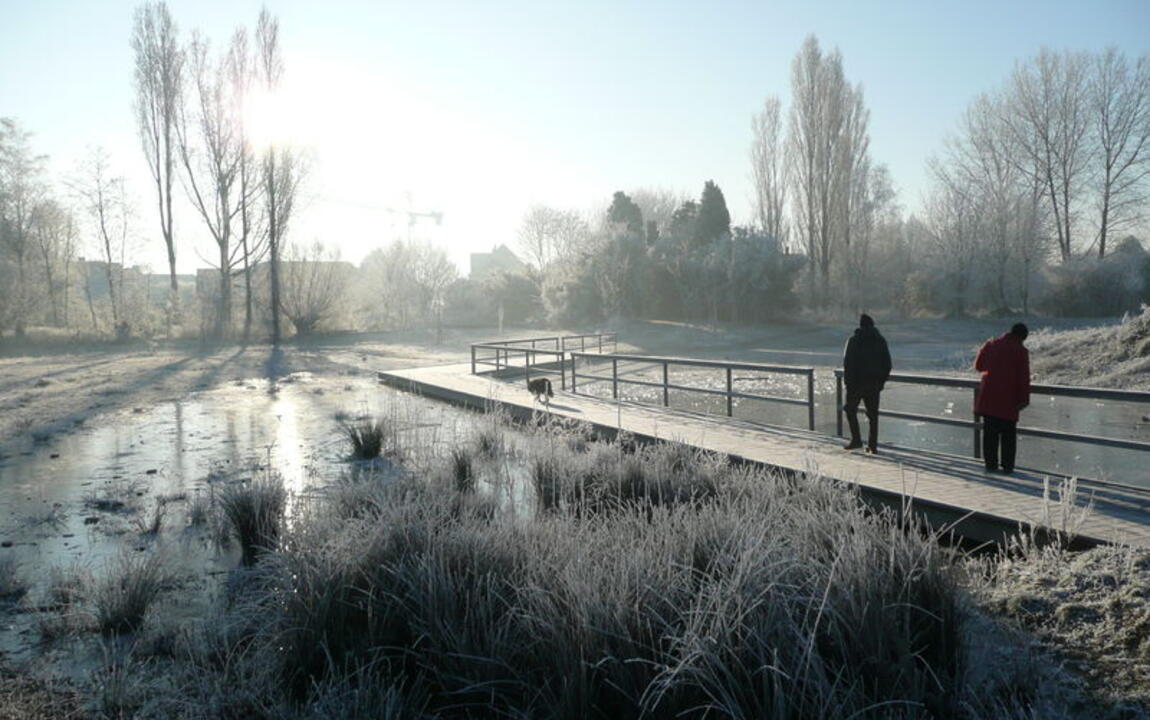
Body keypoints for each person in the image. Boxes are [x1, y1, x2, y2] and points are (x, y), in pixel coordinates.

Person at [974, 323, 1030, 474]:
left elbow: (979, 366)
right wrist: (1024, 400)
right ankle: (1007, 468)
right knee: (1008, 437)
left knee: (989, 436)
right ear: (1022, 337)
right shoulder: (1021, 351)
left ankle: (990, 466)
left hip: (989, 398)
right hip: (1009, 401)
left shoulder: (991, 344)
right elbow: (1023, 378)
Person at [842, 313, 892, 454]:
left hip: (856, 385)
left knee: (850, 410)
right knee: (873, 415)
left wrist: (848, 383)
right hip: (874, 385)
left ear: (861, 325)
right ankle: (873, 445)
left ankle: (856, 439)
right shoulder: (880, 341)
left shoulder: (853, 340)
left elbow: (848, 364)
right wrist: (881, 382)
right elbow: (887, 364)